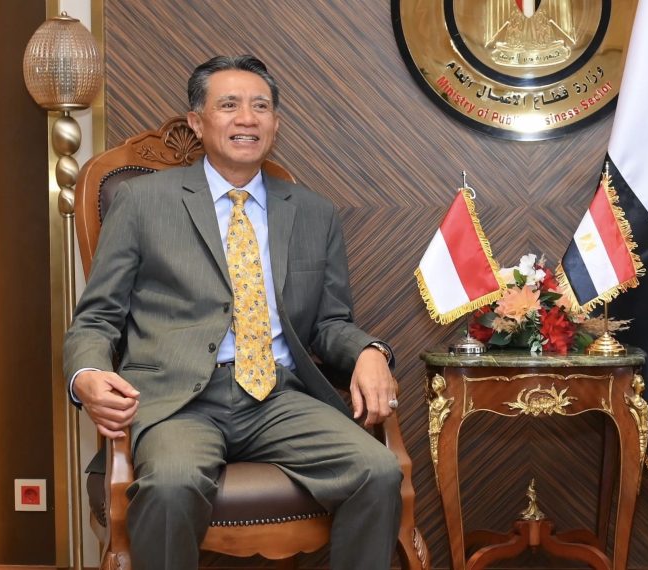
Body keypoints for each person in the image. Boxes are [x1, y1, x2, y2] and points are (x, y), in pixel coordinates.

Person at [63, 55, 402, 570]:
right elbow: (96, 319)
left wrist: (370, 352)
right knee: (171, 484)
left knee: (378, 470)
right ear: (197, 122)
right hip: (178, 401)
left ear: (276, 124)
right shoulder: (141, 202)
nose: (247, 118)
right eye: (229, 105)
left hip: (277, 397)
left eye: (260, 107)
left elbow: (330, 324)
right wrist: (87, 374)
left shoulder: (314, 212)